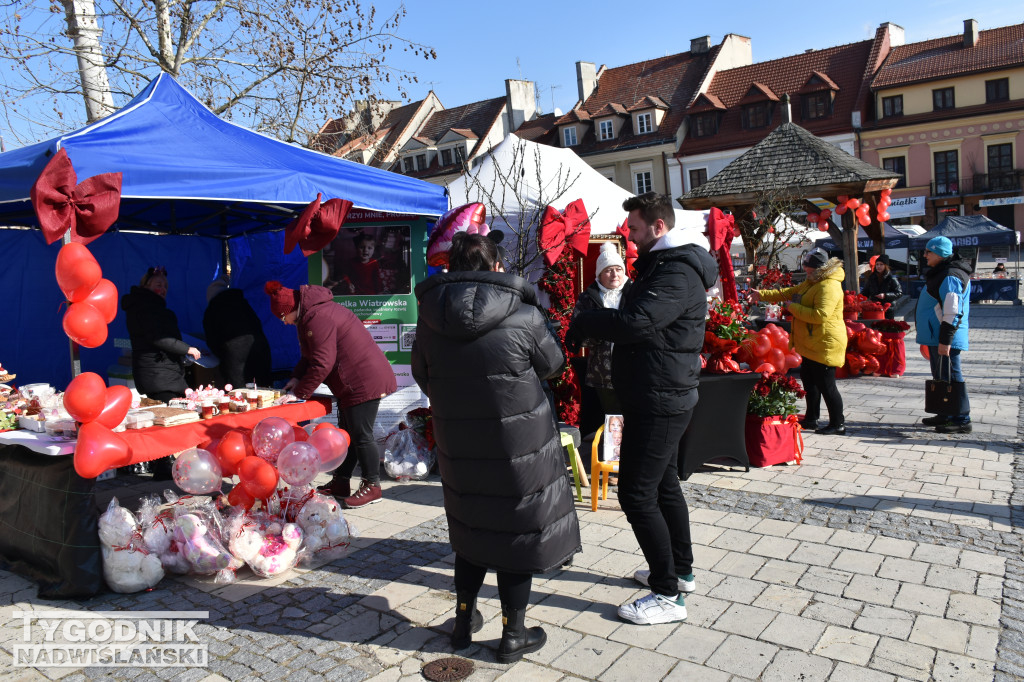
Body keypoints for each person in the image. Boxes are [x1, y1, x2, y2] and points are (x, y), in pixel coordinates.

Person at [411, 232, 580, 662]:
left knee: (472, 527)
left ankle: (463, 624)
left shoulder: (431, 317)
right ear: (496, 266)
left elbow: (423, 376)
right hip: (516, 443)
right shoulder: (523, 314)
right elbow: (554, 366)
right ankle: (512, 635)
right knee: (514, 532)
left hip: (459, 441)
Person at [567, 192, 718, 626]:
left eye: (632, 228)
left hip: (661, 396)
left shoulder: (677, 273)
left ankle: (667, 595)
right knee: (664, 483)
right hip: (654, 390)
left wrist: (585, 321)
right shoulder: (662, 267)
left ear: (658, 226)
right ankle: (679, 572)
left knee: (636, 491)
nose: (627, 236)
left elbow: (635, 322)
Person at [266, 280, 397, 507]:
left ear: (289, 311)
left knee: (361, 435)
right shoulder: (311, 314)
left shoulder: (317, 317)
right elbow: (310, 355)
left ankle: (372, 485)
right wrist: (297, 377)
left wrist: (300, 393)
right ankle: (341, 481)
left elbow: (322, 362)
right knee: (348, 434)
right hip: (356, 381)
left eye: (282, 318)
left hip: (363, 380)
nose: (284, 323)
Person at [751, 248, 847, 435]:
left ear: (819, 269)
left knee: (827, 386)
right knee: (810, 382)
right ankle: (812, 418)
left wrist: (793, 308)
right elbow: (789, 292)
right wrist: (761, 294)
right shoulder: (812, 282)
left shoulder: (829, 286)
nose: (806, 272)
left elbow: (821, 315)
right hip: (812, 342)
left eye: (809, 269)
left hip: (825, 342)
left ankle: (838, 423)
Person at [121, 266, 201, 479]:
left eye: (165, 286)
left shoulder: (145, 306)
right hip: (158, 374)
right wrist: (187, 349)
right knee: (170, 420)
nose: (163, 288)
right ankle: (166, 465)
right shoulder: (147, 308)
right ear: (146, 284)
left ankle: (163, 466)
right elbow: (158, 338)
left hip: (159, 372)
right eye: (158, 284)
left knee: (162, 420)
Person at [571, 241, 632, 479]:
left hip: (633, 369)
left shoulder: (634, 293)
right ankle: (614, 467)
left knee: (634, 417)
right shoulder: (588, 298)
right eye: (608, 270)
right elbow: (578, 335)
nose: (614, 274)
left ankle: (634, 464)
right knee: (614, 418)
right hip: (603, 372)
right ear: (599, 274)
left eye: (617, 269)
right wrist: (601, 334)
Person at [916, 236, 972, 434]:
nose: (924, 255)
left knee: (953, 376)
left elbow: (952, 310)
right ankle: (945, 412)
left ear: (939, 253)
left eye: (928, 252)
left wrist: (945, 340)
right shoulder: (942, 272)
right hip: (937, 335)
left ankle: (961, 418)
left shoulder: (950, 276)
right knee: (941, 377)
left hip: (945, 336)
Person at [202, 278, 272, 389]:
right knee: (264, 388)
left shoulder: (212, 309)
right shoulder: (242, 302)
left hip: (234, 353)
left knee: (239, 391)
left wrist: (222, 355)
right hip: (259, 346)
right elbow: (257, 323)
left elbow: (212, 339)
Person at [860, 254, 902, 318]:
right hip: (874, 308)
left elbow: (899, 293)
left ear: (885, 266)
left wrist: (885, 295)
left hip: (888, 309)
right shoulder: (872, 277)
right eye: (877, 264)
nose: (878, 266)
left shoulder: (891, 278)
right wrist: (859, 297)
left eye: (881, 264)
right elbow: (866, 291)